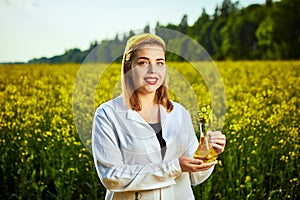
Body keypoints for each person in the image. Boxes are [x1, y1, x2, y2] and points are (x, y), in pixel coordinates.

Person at [92, 33, 226, 200]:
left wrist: (209, 151)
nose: (153, 70)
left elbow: (194, 177)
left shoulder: (179, 113)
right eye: (143, 63)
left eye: (159, 63)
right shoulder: (107, 115)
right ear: (128, 68)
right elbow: (111, 177)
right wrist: (173, 167)